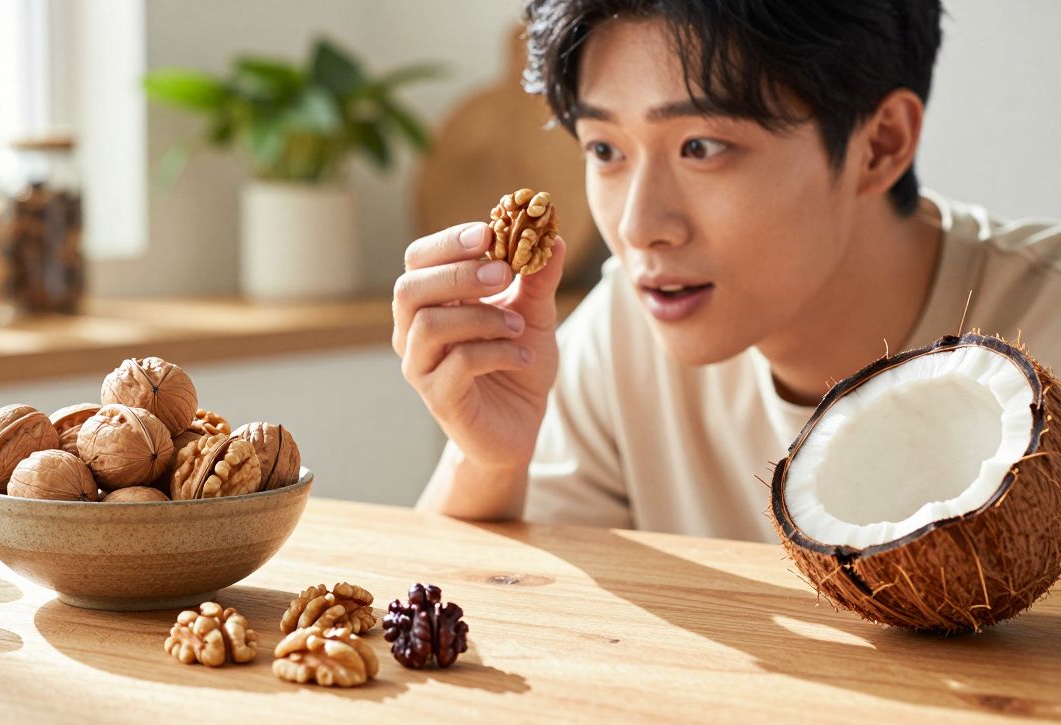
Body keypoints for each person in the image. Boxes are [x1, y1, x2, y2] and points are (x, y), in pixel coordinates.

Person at [391, 0, 1061, 542]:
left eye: (701, 147)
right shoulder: (623, 331)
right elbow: (491, 635)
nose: (635, 226)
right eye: (604, 148)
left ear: (879, 144)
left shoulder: (1047, 324)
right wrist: (490, 461)